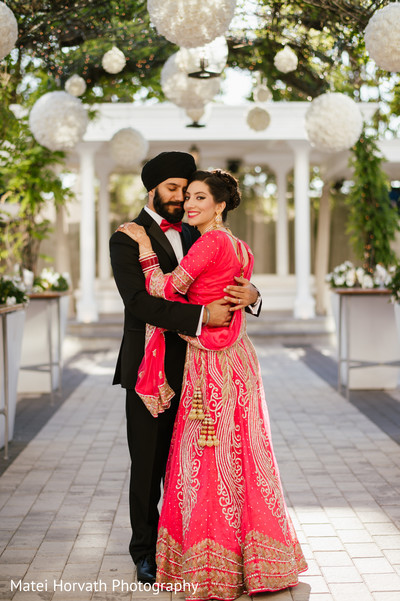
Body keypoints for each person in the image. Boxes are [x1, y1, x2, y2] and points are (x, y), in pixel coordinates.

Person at [116, 168, 308, 600]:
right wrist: (248, 293)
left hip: (211, 364)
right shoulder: (237, 244)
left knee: (206, 459)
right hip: (237, 360)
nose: (189, 203)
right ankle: (254, 560)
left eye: (199, 197)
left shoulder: (208, 240)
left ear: (220, 204)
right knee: (244, 457)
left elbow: (165, 288)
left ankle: (210, 563)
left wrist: (147, 248)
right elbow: (147, 299)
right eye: (187, 196)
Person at [109, 152, 260, 585]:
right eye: (173, 189)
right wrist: (200, 319)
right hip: (151, 369)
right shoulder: (126, 237)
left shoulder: (201, 230)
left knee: (193, 464)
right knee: (148, 463)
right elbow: (139, 302)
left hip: (202, 365)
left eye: (187, 190)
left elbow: (224, 275)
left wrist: (253, 295)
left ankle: (192, 547)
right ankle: (144, 551)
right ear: (153, 189)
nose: (181, 198)